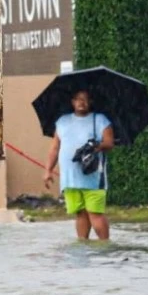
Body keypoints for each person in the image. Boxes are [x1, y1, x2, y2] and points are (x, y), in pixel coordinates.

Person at [43, 89, 115, 240]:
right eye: (78, 99)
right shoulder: (62, 121)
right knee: (80, 212)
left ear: (91, 102)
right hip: (70, 178)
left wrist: (97, 146)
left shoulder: (100, 119)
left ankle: (105, 244)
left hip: (93, 177)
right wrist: (48, 170)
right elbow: (55, 148)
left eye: (85, 99)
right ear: (72, 102)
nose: (81, 102)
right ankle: (83, 244)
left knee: (95, 213)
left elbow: (109, 143)